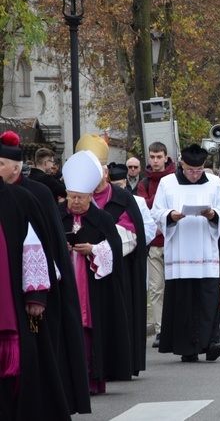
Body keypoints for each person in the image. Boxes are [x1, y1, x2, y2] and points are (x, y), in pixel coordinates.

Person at [0, 132, 91, 414]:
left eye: (2, 163)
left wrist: (38, 292)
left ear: (17, 166)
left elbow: (39, 246)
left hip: (25, 291)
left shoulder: (29, 196)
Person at [151, 144, 220, 363]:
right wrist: (171, 215)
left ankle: (211, 343)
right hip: (180, 253)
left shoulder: (214, 182)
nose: (195, 175)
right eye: (190, 171)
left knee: (208, 299)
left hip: (206, 252)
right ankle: (186, 347)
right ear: (181, 165)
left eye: (198, 171)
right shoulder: (167, 183)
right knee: (183, 301)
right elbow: (156, 212)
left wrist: (212, 213)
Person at [59, 150, 132, 393]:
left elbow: (114, 247)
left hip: (92, 287)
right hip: (65, 282)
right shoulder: (59, 217)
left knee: (89, 329)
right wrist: (64, 246)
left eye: (80, 197)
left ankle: (92, 378)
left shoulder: (102, 219)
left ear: (91, 196)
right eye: (71, 197)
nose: (75, 202)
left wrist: (92, 249)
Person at [76, 134, 149, 377]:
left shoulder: (121, 198)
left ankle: (118, 364)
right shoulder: (75, 200)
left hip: (119, 272)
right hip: (81, 270)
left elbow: (131, 236)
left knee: (117, 317)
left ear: (105, 172)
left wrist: (98, 248)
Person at [0, 177, 72, 420]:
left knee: (20, 374)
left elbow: (35, 247)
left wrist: (35, 294)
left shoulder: (17, 199)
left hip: (12, 304)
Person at [136, 141, 176, 348]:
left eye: (159, 157)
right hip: (153, 243)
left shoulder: (174, 179)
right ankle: (161, 329)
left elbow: (174, 205)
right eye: (152, 157)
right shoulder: (144, 182)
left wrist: (158, 209)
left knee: (175, 286)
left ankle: (176, 327)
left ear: (166, 157)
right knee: (156, 288)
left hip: (173, 240)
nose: (155, 161)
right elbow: (144, 207)